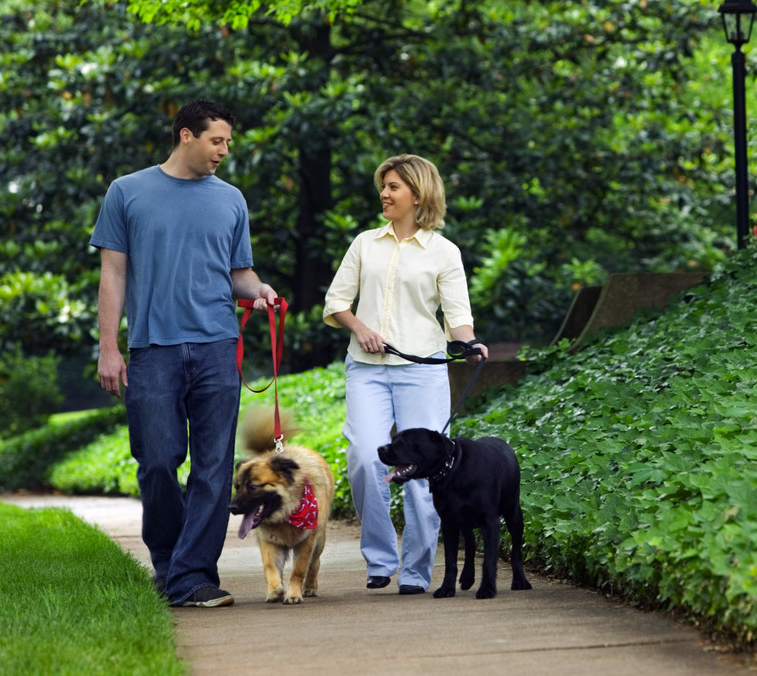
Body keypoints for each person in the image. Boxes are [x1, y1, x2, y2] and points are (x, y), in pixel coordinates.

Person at [92, 99, 277, 608]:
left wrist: (258, 290)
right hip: (153, 349)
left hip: (218, 346)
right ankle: (170, 565)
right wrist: (109, 348)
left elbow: (238, 272)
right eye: (216, 141)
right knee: (156, 462)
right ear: (185, 136)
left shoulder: (231, 199)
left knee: (213, 468)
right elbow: (113, 273)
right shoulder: (128, 192)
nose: (224, 151)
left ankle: (194, 576)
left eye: (227, 143)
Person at [323, 154, 488, 595]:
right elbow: (335, 303)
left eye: (393, 186)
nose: (384, 194)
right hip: (366, 368)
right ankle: (380, 559)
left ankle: (416, 572)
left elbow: (457, 316)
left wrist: (469, 344)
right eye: (383, 186)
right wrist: (361, 328)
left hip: (422, 372)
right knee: (362, 456)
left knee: (426, 472)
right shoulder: (364, 244)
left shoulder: (444, 252)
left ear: (418, 194)